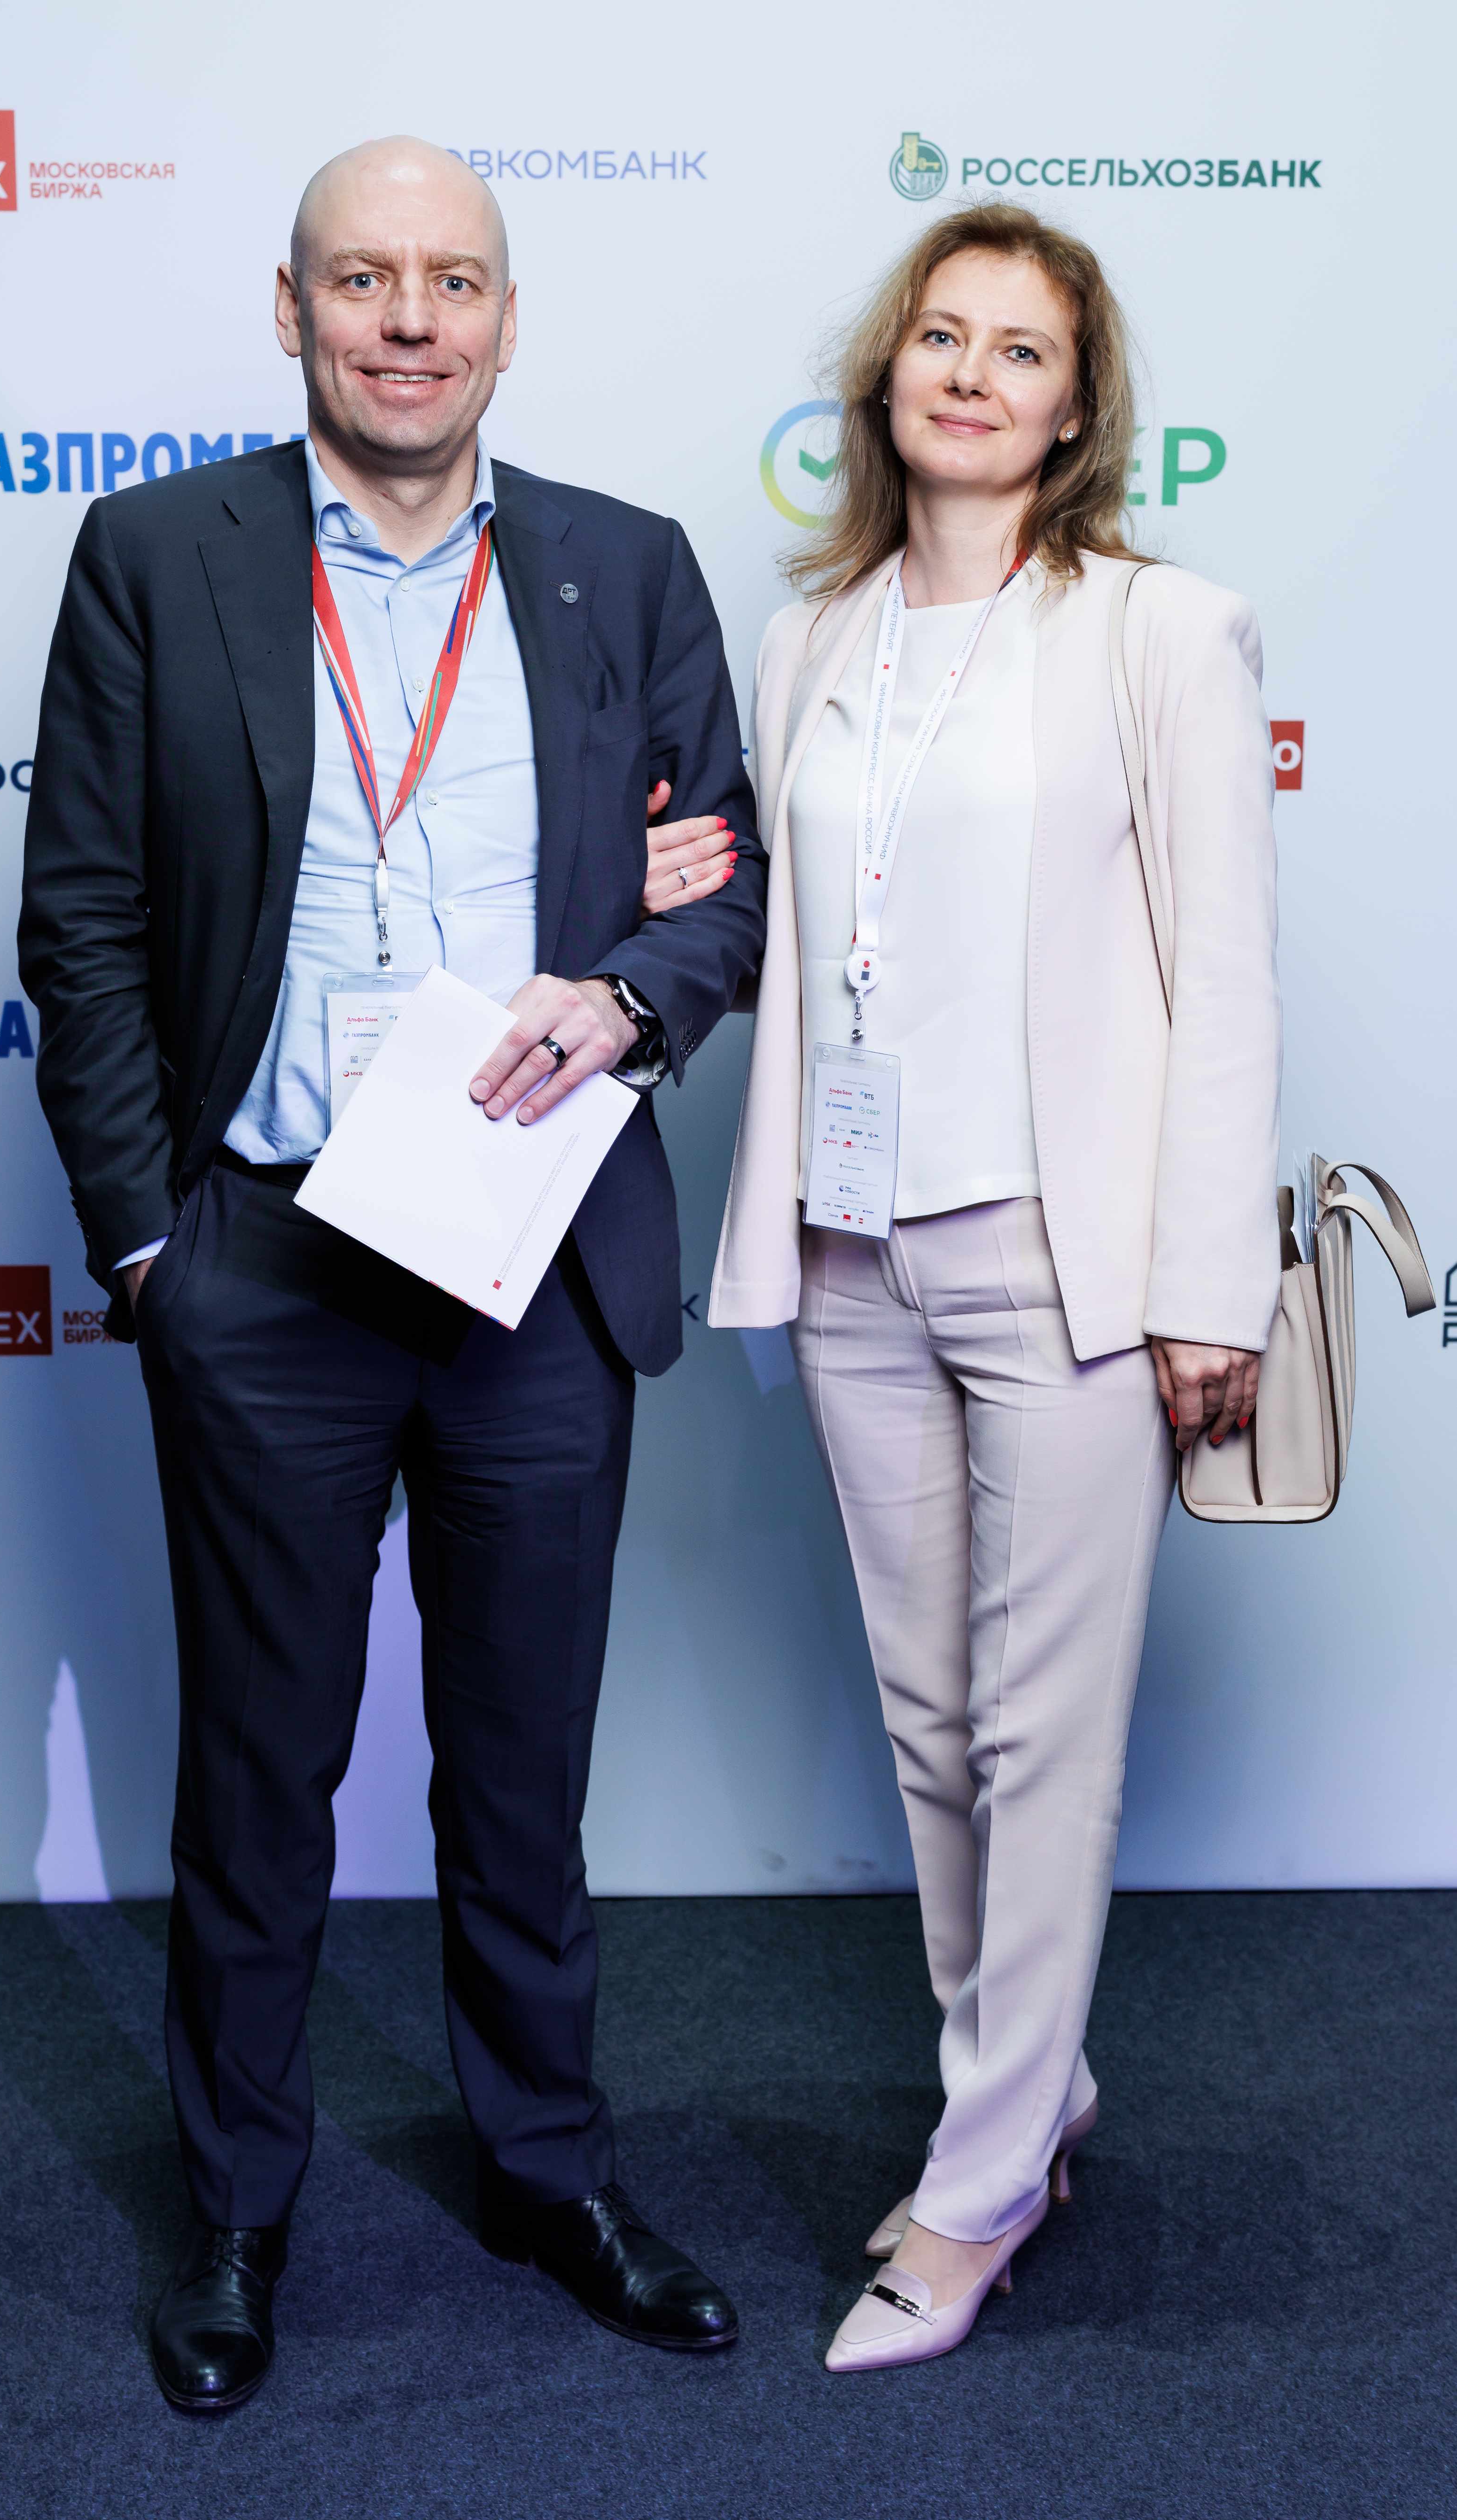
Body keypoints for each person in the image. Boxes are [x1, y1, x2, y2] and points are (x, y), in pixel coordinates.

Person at [19, 135, 764, 2413]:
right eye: (363, 280)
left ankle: (548, 2170)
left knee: (521, 1773)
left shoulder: (628, 567)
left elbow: (722, 891)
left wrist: (625, 999)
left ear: (508, 320)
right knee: (259, 1779)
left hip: (536, 1260)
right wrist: (151, 1245)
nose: (409, 320)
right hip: (268, 1267)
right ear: (292, 310)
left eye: (452, 280)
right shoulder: (159, 555)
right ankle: (239, 2212)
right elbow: (83, 919)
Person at [701, 200, 1281, 2369]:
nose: (969, 373)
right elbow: (800, 935)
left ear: (1073, 408)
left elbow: (1224, 978)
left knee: (1044, 1734)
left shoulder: (1156, 630)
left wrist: (1205, 1281)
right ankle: (1019, 2096)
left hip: (1065, 1260)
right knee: (930, 1716)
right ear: (889, 374)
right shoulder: (807, 642)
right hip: (849, 1245)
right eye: (940, 335)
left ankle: (976, 2187)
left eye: (1018, 350)